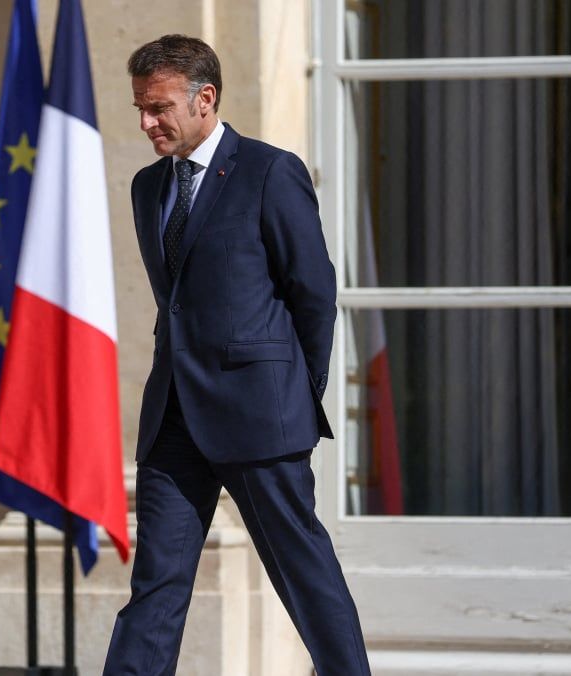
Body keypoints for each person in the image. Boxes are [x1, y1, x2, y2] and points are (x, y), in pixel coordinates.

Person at [103, 35, 371, 675]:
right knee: (156, 584)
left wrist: (293, 396)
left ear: (206, 98)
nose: (146, 123)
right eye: (140, 108)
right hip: (173, 418)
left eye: (159, 108)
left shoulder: (270, 171)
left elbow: (314, 294)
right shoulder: (147, 187)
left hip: (261, 416)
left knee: (302, 573)